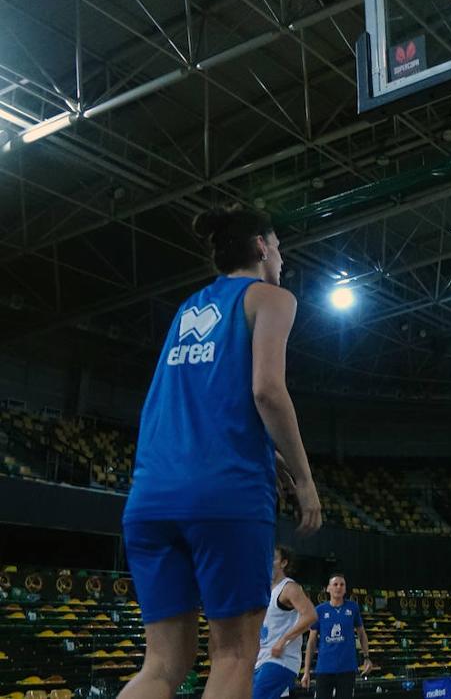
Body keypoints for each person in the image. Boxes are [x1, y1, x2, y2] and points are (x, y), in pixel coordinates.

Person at [120, 205, 321, 699]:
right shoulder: (270, 299)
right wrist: (303, 478)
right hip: (225, 496)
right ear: (259, 247)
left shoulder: (188, 308)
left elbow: (198, 403)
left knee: (162, 665)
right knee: (233, 654)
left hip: (150, 498)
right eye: (277, 246)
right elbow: (267, 391)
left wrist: (263, 454)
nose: (281, 256)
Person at [253, 546, 317, 699]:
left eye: (273, 558)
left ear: (283, 563)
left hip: (280, 660)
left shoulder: (289, 588)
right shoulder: (264, 590)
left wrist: (283, 640)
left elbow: (311, 615)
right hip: (261, 659)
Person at [301, 574, 373, 698]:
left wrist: (366, 657)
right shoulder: (319, 610)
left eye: (342, 584)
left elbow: (361, 633)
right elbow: (311, 642)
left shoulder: (353, 608)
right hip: (324, 669)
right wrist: (306, 671)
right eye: (335, 584)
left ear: (345, 589)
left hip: (347, 668)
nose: (338, 587)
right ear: (328, 588)